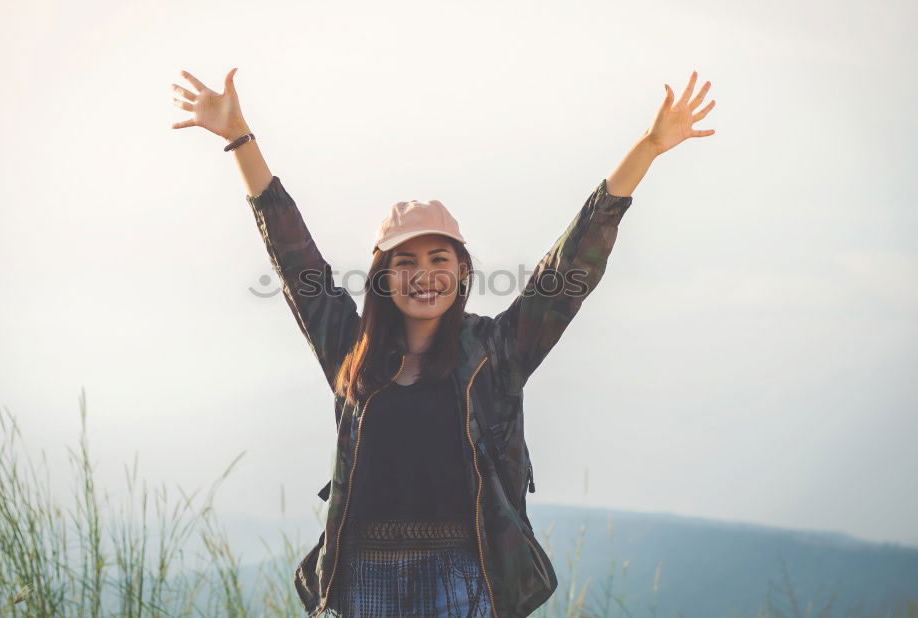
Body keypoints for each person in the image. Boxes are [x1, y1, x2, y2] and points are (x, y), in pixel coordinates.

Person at [170, 68, 716, 618]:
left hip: (465, 577)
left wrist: (647, 149)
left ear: (461, 270)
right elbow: (294, 254)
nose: (423, 274)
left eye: (438, 259)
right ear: (383, 277)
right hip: (359, 580)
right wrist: (238, 136)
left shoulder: (496, 352)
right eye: (404, 261)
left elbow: (568, 269)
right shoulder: (350, 350)